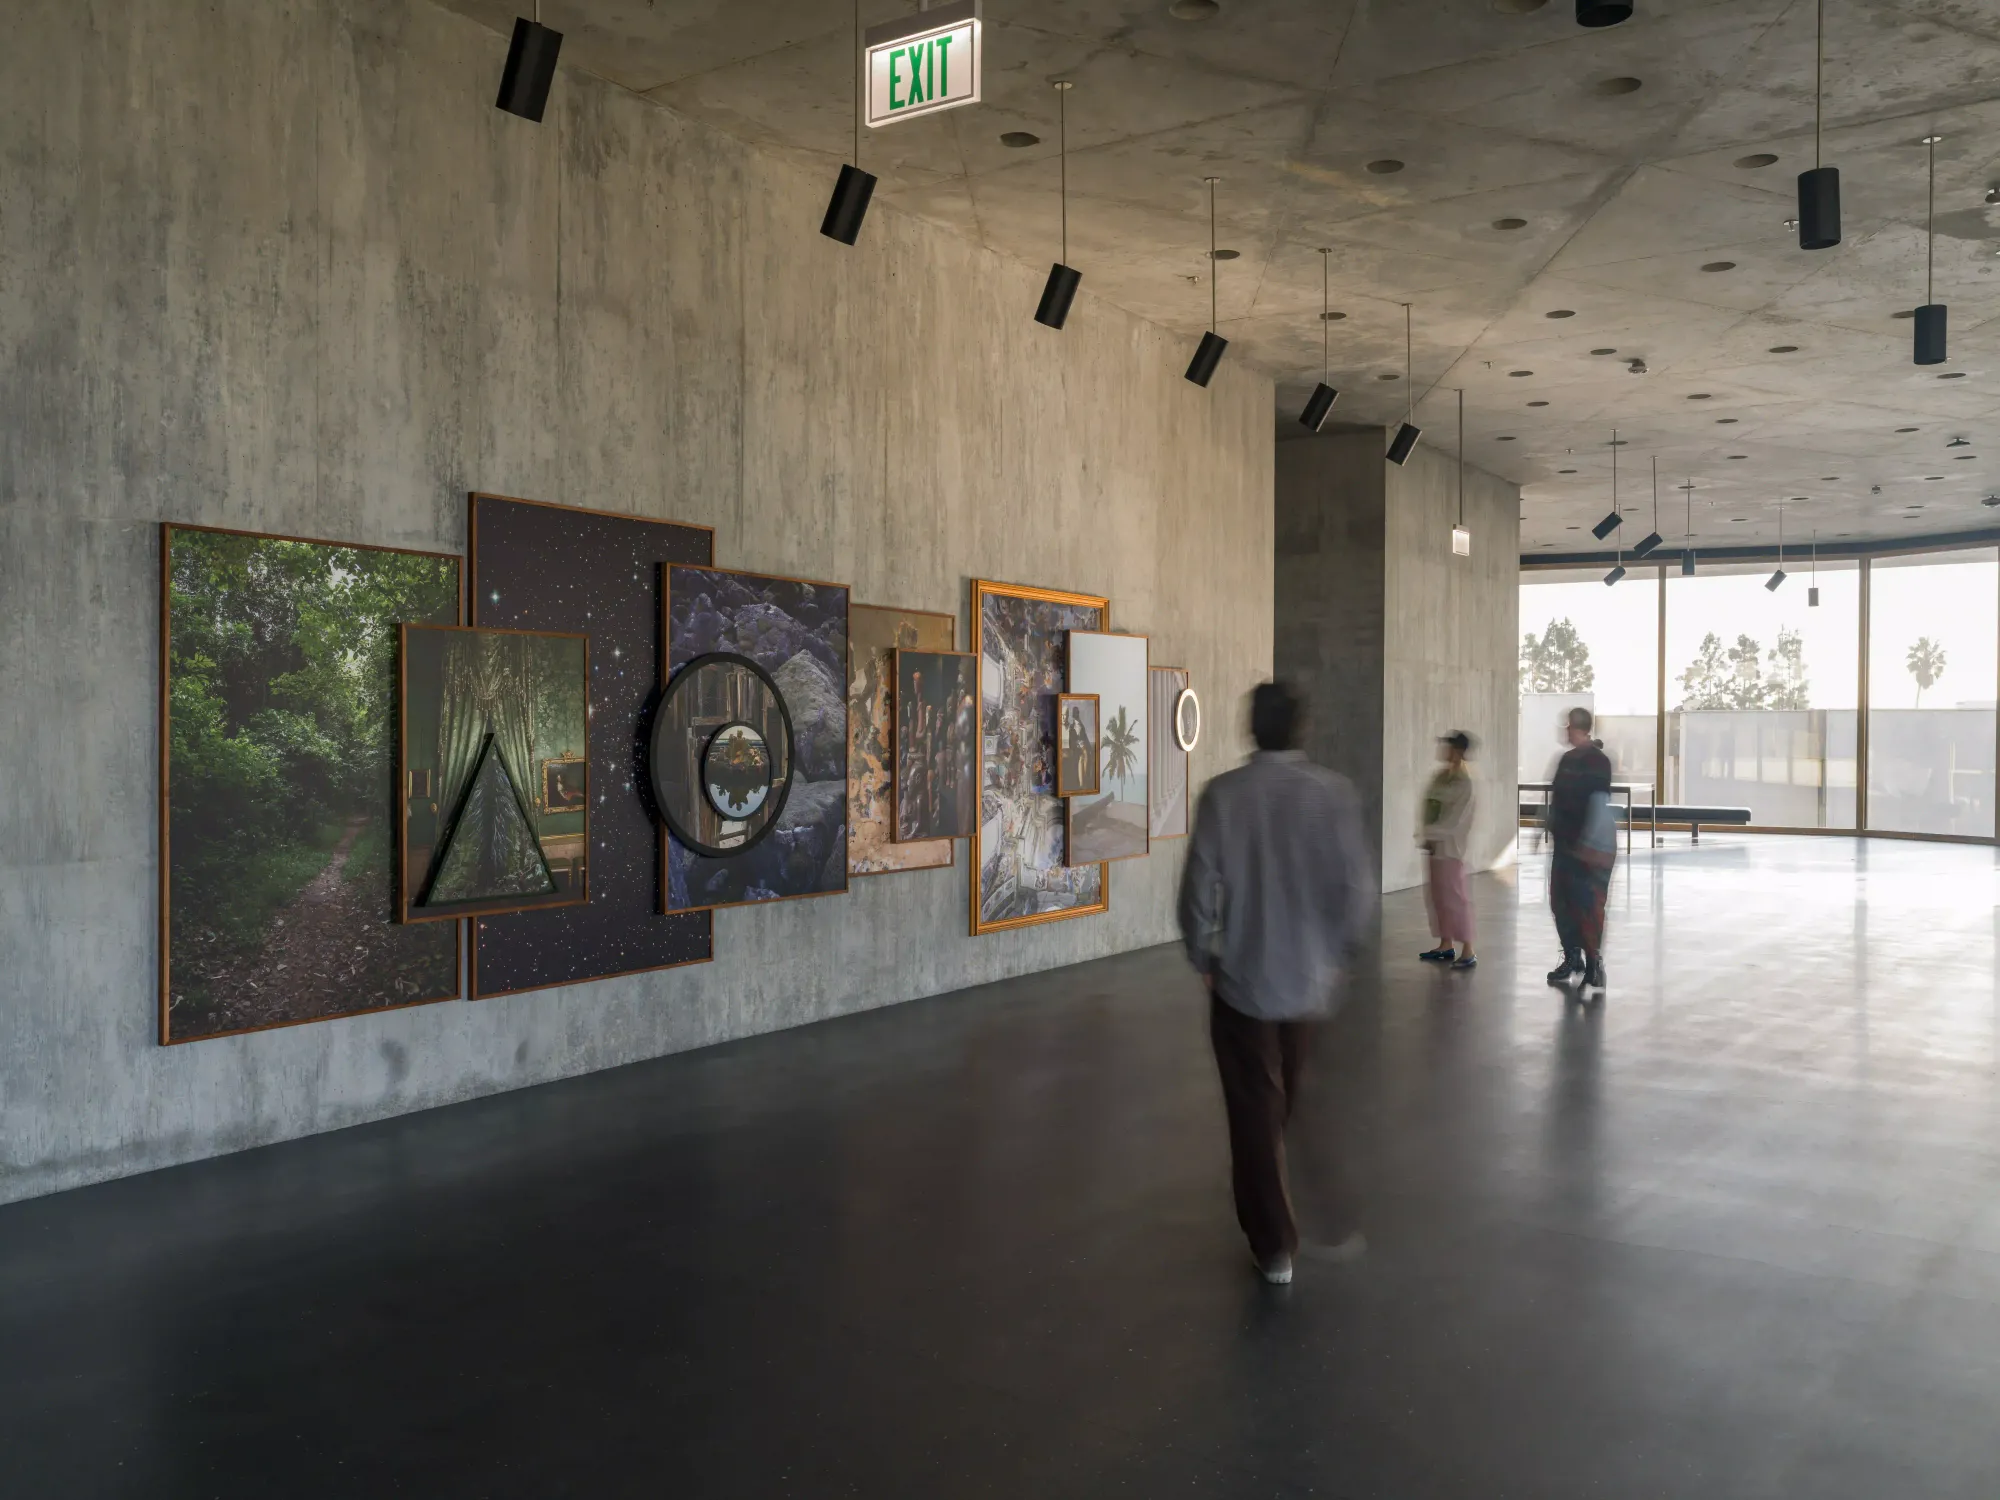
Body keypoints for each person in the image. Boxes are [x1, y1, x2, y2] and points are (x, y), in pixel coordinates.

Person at [1177, 680, 1373, 1286]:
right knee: (1294, 1094)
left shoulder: (1224, 796)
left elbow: (1195, 893)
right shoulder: (1333, 795)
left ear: (1249, 727)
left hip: (1243, 982)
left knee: (1253, 1109)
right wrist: (1341, 951)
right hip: (1311, 983)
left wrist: (1203, 955)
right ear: (1303, 728)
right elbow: (1357, 892)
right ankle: (1318, 1207)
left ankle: (1274, 1244)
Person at [1545, 706, 1613, 998]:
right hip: (1564, 846)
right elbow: (1557, 799)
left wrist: (1589, 844)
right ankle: (1572, 958)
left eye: (1568, 726)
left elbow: (1599, 802)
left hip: (1588, 848)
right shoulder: (1566, 760)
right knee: (1561, 903)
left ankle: (1594, 964)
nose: (1565, 730)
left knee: (1589, 906)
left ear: (1577, 727)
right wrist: (1545, 828)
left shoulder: (1598, 762)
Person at [1417, 731, 1478, 970]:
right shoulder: (1441, 776)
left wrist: (1433, 835)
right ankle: (1445, 943)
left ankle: (1468, 949)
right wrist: (1426, 835)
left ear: (1459, 751)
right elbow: (1428, 807)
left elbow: (1456, 820)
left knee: (1455, 898)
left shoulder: (1464, 782)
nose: (1443, 749)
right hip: (1434, 845)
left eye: (1448, 746)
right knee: (1438, 897)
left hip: (1450, 848)